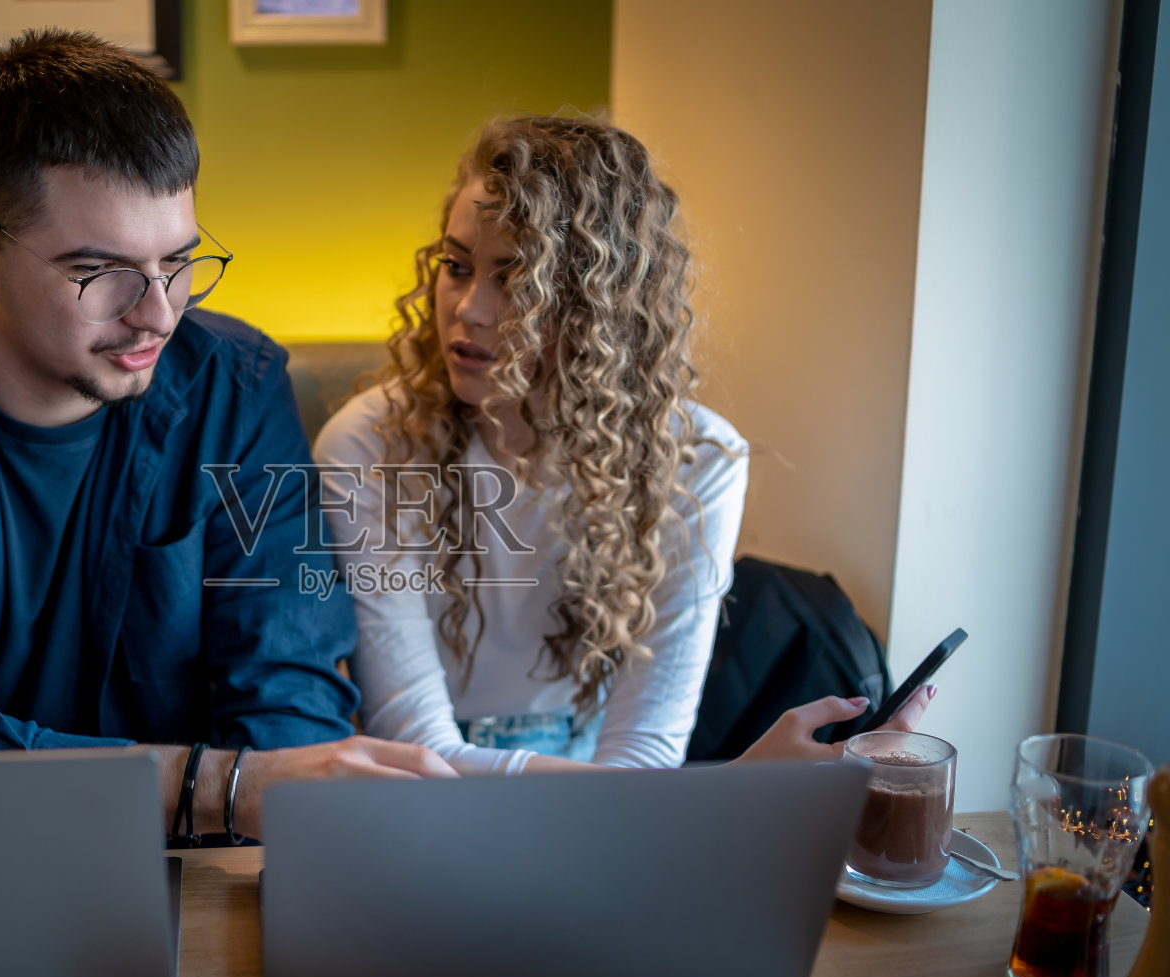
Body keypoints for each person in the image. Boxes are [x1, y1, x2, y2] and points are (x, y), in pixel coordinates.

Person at [0, 29, 454, 842]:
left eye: (180, 261)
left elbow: (285, 703)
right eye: (99, 272)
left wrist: (249, 802)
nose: (159, 312)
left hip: (186, 879)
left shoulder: (236, 385)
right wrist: (212, 784)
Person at [313, 115, 930, 774]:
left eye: (516, 278)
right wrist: (698, 797)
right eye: (456, 266)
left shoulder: (699, 460)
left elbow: (645, 752)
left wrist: (649, 803)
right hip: (431, 799)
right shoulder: (369, 443)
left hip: (602, 791)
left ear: (597, 303)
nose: (469, 308)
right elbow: (417, 750)